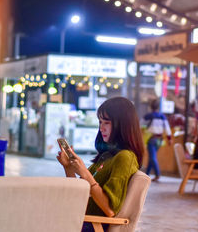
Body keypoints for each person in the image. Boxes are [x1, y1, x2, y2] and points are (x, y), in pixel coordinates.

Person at [56, 97, 144, 232]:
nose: (101, 128)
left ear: (122, 125)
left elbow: (110, 210)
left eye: (107, 123)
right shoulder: (106, 156)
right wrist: (68, 167)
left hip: (92, 225)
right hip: (82, 220)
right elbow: (80, 196)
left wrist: (85, 173)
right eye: (100, 122)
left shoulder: (125, 158)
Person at [142, 99, 172, 182]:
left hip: (151, 139)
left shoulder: (148, 116)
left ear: (150, 106)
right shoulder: (162, 116)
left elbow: (141, 125)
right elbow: (167, 128)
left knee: (152, 157)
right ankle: (146, 175)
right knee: (152, 157)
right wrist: (169, 138)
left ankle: (157, 174)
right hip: (160, 140)